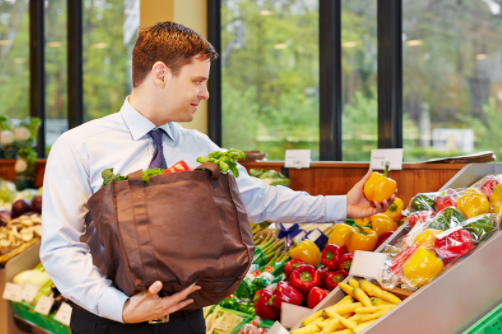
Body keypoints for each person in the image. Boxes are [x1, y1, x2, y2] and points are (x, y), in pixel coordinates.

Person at [40, 21, 395, 334]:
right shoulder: (79, 147)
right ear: (161, 74)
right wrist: (121, 308)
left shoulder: (199, 146)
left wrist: (342, 205)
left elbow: (258, 199)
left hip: (188, 320)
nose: (205, 94)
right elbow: (61, 248)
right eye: (197, 81)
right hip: (108, 324)